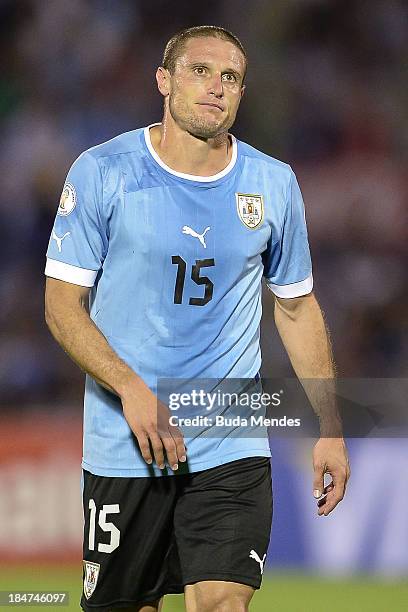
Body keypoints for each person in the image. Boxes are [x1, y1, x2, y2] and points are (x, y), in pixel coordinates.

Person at [44, 25, 350, 612]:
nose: (216, 87)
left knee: (222, 603)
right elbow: (61, 305)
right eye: (200, 70)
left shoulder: (273, 183)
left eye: (231, 77)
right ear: (164, 80)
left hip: (229, 437)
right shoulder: (103, 172)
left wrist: (329, 425)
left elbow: (296, 305)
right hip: (127, 441)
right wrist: (131, 388)